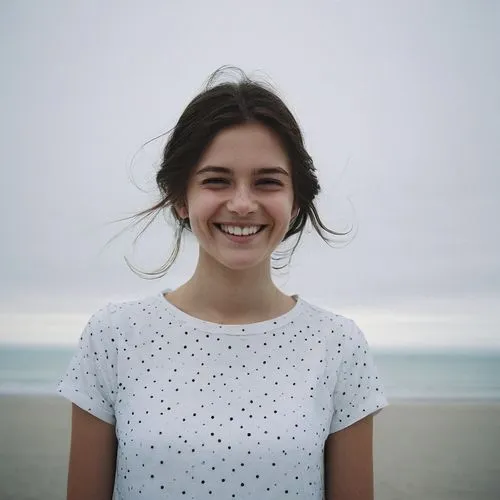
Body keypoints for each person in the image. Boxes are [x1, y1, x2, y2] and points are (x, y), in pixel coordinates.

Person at [58, 67, 388, 500]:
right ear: (180, 197)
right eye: (217, 180)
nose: (242, 203)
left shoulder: (338, 345)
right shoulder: (113, 337)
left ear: (296, 202)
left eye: (267, 181)